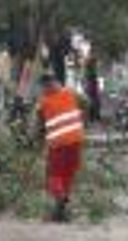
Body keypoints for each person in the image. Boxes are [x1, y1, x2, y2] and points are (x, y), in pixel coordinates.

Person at [36, 72, 84, 222]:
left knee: (52, 176)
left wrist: (34, 139)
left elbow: (38, 125)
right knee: (67, 175)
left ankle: (61, 201)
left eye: (43, 87)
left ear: (46, 85)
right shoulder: (71, 94)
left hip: (58, 144)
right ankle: (61, 211)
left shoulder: (44, 102)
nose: (43, 90)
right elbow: (86, 104)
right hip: (76, 141)